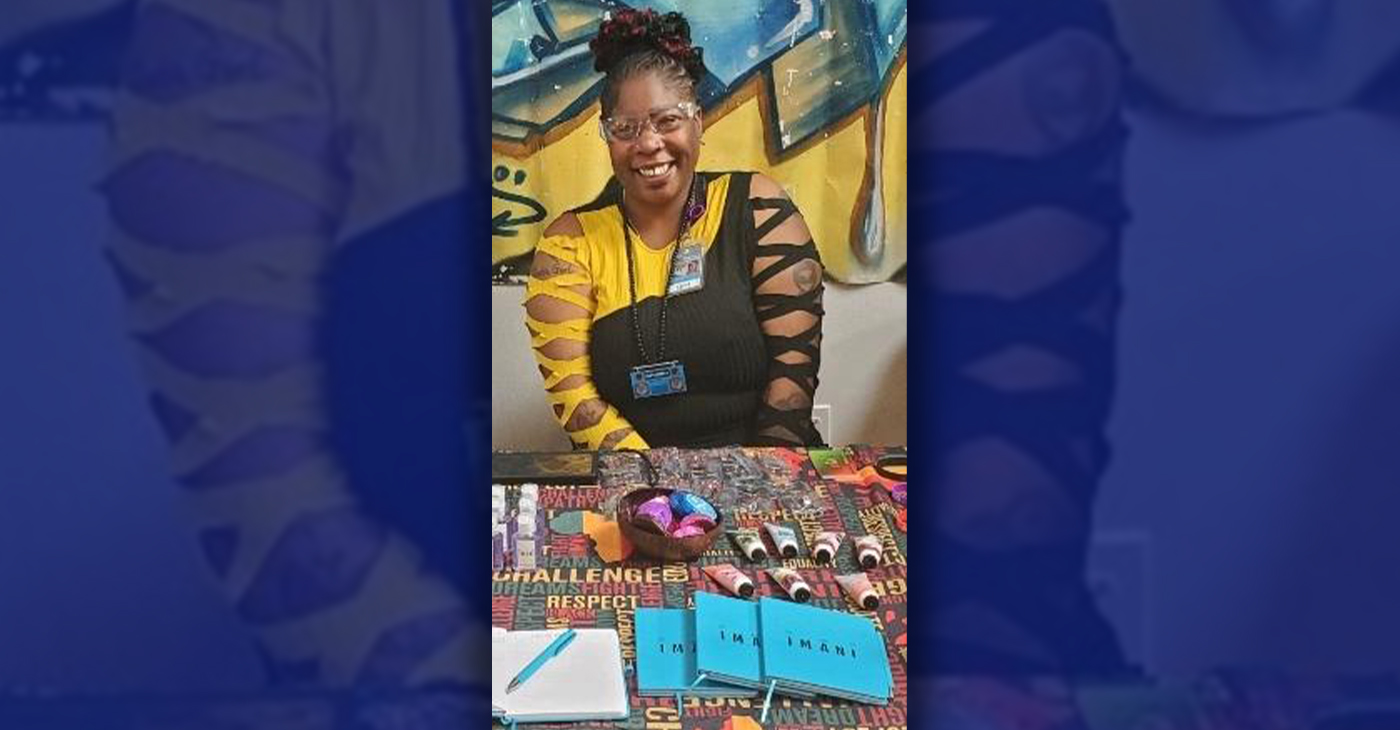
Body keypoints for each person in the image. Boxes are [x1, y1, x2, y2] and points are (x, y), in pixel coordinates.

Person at [524, 8, 825, 451]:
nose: (648, 143)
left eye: (668, 121)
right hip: (633, 489)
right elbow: (577, 403)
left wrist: (749, 490)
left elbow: (793, 380)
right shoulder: (568, 245)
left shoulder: (758, 210)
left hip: (766, 471)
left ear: (697, 122)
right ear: (607, 137)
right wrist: (661, 504)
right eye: (626, 128)